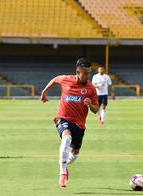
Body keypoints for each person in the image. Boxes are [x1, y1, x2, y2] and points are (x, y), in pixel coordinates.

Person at [40, 58, 99, 188]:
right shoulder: (66, 79)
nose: (88, 76)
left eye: (89, 73)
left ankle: (65, 165)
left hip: (79, 125)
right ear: (77, 72)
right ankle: (62, 173)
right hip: (63, 118)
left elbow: (96, 109)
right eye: (85, 73)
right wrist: (44, 92)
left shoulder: (90, 88)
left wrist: (90, 105)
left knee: (74, 152)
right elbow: (55, 79)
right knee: (66, 138)